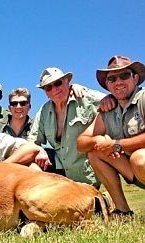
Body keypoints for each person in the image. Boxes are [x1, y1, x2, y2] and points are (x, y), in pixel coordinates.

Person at [77, 55, 145, 215]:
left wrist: (116, 144)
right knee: (95, 151)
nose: (118, 82)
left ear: (135, 78)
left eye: (124, 76)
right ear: (107, 85)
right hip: (134, 171)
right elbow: (81, 143)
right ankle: (123, 211)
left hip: (141, 163)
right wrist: (98, 139)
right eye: (112, 78)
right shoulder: (107, 109)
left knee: (139, 158)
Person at [28, 67, 108, 188]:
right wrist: (39, 150)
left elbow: (113, 99)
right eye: (48, 87)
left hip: (86, 175)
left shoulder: (85, 98)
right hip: (59, 174)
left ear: (67, 81)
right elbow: (32, 140)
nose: (54, 89)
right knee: (30, 159)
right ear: (45, 92)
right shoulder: (44, 110)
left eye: (58, 83)